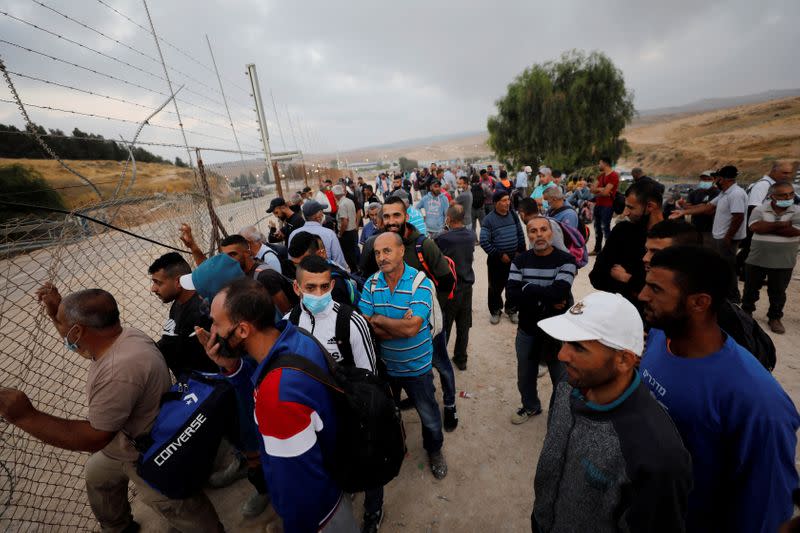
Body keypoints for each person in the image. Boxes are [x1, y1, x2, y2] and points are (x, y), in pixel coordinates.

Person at [0, 285, 221, 532]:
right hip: (121, 443)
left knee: (178, 503)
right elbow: (84, 347)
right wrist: (56, 313)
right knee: (98, 477)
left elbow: (95, 437)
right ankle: (119, 527)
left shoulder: (118, 372)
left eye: (64, 325)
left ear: (78, 330)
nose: (63, 332)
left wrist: (25, 416)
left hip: (145, 452)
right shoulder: (124, 337)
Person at [639, 246, 800, 533]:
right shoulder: (660, 336)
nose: (642, 295)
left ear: (699, 302)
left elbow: (766, 510)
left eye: (655, 289)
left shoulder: (758, 402)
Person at [532, 291, 692, 532]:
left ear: (624, 360)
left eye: (578, 346)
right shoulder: (568, 384)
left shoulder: (657, 454)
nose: (561, 355)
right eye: (565, 341)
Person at [361, 197, 458, 431]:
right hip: (393, 333)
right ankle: (413, 397)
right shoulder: (374, 246)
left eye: (396, 215)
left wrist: (428, 312)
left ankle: (450, 404)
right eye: (386, 216)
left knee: (442, 366)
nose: (391, 220)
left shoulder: (423, 245)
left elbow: (446, 281)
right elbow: (367, 283)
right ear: (379, 219)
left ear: (406, 216)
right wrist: (388, 323)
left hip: (425, 323)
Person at [359, 232, 447, 479]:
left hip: (417, 367)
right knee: (389, 413)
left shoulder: (421, 283)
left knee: (428, 415)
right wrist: (395, 326)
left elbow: (413, 327)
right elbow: (369, 328)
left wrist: (379, 320)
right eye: (377, 253)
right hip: (386, 367)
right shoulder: (371, 284)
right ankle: (398, 446)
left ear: (401, 252)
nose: (381, 257)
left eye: (387, 251)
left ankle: (435, 450)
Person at [506, 217, 576, 424]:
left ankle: (558, 416)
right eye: (533, 231)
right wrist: (546, 298)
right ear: (528, 235)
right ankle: (530, 406)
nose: (538, 235)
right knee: (525, 375)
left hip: (556, 332)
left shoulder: (566, 260)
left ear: (551, 233)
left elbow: (560, 292)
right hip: (527, 329)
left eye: (543, 230)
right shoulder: (520, 261)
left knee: (561, 378)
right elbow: (511, 296)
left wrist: (527, 288)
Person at [670, 165, 747, 302]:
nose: (716, 180)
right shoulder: (725, 192)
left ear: (723, 179)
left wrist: (728, 237)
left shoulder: (736, 194)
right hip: (720, 236)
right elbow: (706, 207)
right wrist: (683, 212)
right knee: (720, 266)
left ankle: (733, 298)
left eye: (717, 177)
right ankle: (724, 295)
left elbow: (738, 217)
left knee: (727, 268)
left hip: (726, 238)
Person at [589, 180, 663, 308]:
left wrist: (626, 278)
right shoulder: (622, 231)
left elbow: (664, 291)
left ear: (650, 206)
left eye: (631, 207)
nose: (626, 212)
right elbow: (597, 277)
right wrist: (638, 283)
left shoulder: (675, 237)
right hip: (619, 310)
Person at [742, 181, 800, 334]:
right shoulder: (759, 210)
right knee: (750, 289)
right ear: (772, 196)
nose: (788, 197)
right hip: (757, 258)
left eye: (791, 194)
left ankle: (775, 318)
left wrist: (768, 227)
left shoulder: (798, 211)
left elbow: (795, 232)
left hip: (784, 261)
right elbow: (755, 228)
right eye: (783, 195)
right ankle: (746, 313)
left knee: (778, 292)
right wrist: (782, 225)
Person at [148, 252, 218, 377]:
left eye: (158, 283)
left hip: (203, 385)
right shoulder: (178, 303)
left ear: (178, 282)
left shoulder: (201, 312)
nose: (153, 289)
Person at [434, 205, 475, 371]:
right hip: (467, 287)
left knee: (446, 325)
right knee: (464, 325)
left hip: (451, 289)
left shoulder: (444, 238)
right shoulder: (471, 235)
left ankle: (440, 359)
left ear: (448, 219)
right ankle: (461, 358)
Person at [480, 190, 526, 324]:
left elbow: (520, 233)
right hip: (497, 260)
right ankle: (495, 311)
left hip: (514, 259)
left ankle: (511, 309)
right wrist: (499, 254)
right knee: (495, 287)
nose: (508, 203)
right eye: (504, 200)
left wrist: (520, 250)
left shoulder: (513, 214)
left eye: (508, 200)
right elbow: (484, 241)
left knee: (513, 285)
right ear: (495, 203)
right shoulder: (488, 220)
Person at [288, 200, 347, 269]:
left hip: (302, 276)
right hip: (325, 275)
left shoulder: (293, 234)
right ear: (319, 216)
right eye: (321, 211)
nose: (323, 214)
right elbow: (339, 261)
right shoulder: (329, 233)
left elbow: (291, 259)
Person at [678, 170, 719, 245]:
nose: (705, 181)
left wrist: (691, 208)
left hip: (710, 230)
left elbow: (709, 211)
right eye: (703, 179)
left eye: (709, 179)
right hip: (695, 229)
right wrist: (683, 205)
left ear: (715, 180)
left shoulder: (718, 194)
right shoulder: (694, 193)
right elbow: (687, 207)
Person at [590, 156, 620, 254]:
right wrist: (600, 189)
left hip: (608, 206)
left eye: (600, 163)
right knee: (597, 228)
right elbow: (592, 189)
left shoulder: (614, 176)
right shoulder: (601, 176)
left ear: (605, 163)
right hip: (598, 205)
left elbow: (605, 193)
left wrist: (599, 190)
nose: (599, 165)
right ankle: (597, 249)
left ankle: (610, 250)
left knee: (605, 228)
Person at [333, 185, 359, 272]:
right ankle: (357, 270)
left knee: (349, 256)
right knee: (354, 253)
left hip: (346, 234)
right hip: (353, 231)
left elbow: (344, 221)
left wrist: (340, 234)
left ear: (336, 195)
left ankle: (355, 273)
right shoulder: (349, 201)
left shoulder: (342, 204)